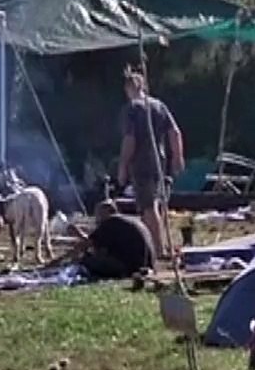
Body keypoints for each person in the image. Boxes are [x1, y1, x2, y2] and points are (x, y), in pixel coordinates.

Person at [116, 69, 184, 259]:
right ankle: (156, 244)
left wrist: (122, 165)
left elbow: (130, 139)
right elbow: (175, 132)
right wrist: (178, 157)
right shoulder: (159, 105)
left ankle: (158, 249)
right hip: (160, 161)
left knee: (148, 206)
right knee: (157, 204)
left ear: (130, 88)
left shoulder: (132, 108)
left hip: (141, 162)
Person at [61, 200, 155, 280]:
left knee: (85, 260)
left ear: (105, 212)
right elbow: (95, 242)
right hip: (147, 264)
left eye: (97, 214)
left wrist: (58, 261)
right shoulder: (126, 220)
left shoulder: (109, 223)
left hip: (130, 267)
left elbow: (85, 245)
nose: (96, 218)